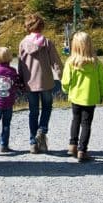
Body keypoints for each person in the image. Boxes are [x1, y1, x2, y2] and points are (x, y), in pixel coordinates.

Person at [18, 13, 63, 154]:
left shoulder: (23, 43)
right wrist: (62, 77)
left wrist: (20, 80)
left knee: (33, 112)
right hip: (46, 82)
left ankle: (33, 143)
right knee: (47, 108)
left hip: (30, 84)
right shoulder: (47, 42)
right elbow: (55, 62)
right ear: (41, 26)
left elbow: (21, 65)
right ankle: (42, 130)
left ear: (28, 27)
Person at [61, 31, 103, 162]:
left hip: (75, 97)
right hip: (90, 98)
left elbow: (65, 81)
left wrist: (66, 90)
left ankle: (72, 145)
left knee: (75, 120)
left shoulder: (71, 62)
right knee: (86, 124)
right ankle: (82, 150)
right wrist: (102, 94)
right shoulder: (96, 63)